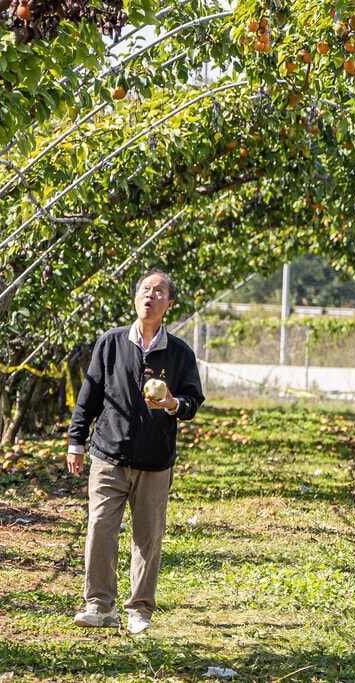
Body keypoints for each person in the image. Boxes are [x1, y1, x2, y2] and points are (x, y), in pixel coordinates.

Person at [66, 270, 204, 635]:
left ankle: (139, 610)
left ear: (168, 305)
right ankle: (99, 604)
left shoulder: (179, 353)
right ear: (135, 299)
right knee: (100, 528)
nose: (150, 295)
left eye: (158, 292)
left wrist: (174, 403)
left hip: (155, 460)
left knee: (147, 536)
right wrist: (76, 441)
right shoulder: (110, 343)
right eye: (145, 289)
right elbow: (89, 396)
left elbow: (193, 401)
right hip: (108, 454)